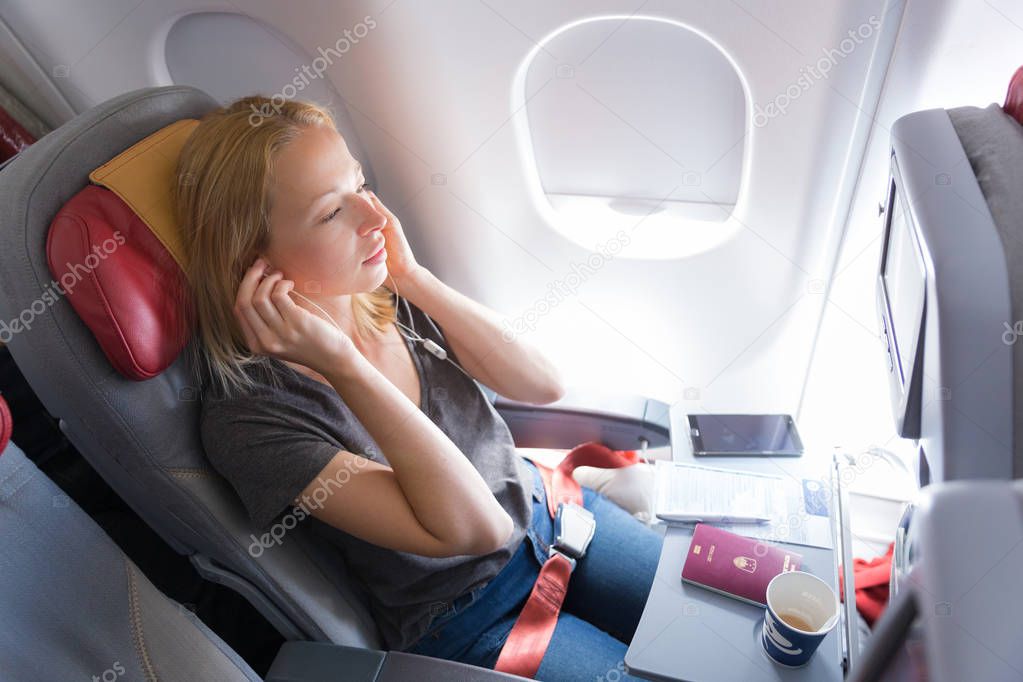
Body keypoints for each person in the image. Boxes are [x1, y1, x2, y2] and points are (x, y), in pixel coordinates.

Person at [175, 94, 663, 681]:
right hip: (477, 617)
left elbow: (542, 383)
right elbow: (475, 529)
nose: (375, 217)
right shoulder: (251, 418)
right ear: (252, 258)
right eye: (333, 211)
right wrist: (345, 366)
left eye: (360, 183)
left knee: (736, 633)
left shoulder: (378, 292)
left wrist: (414, 278)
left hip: (554, 520)